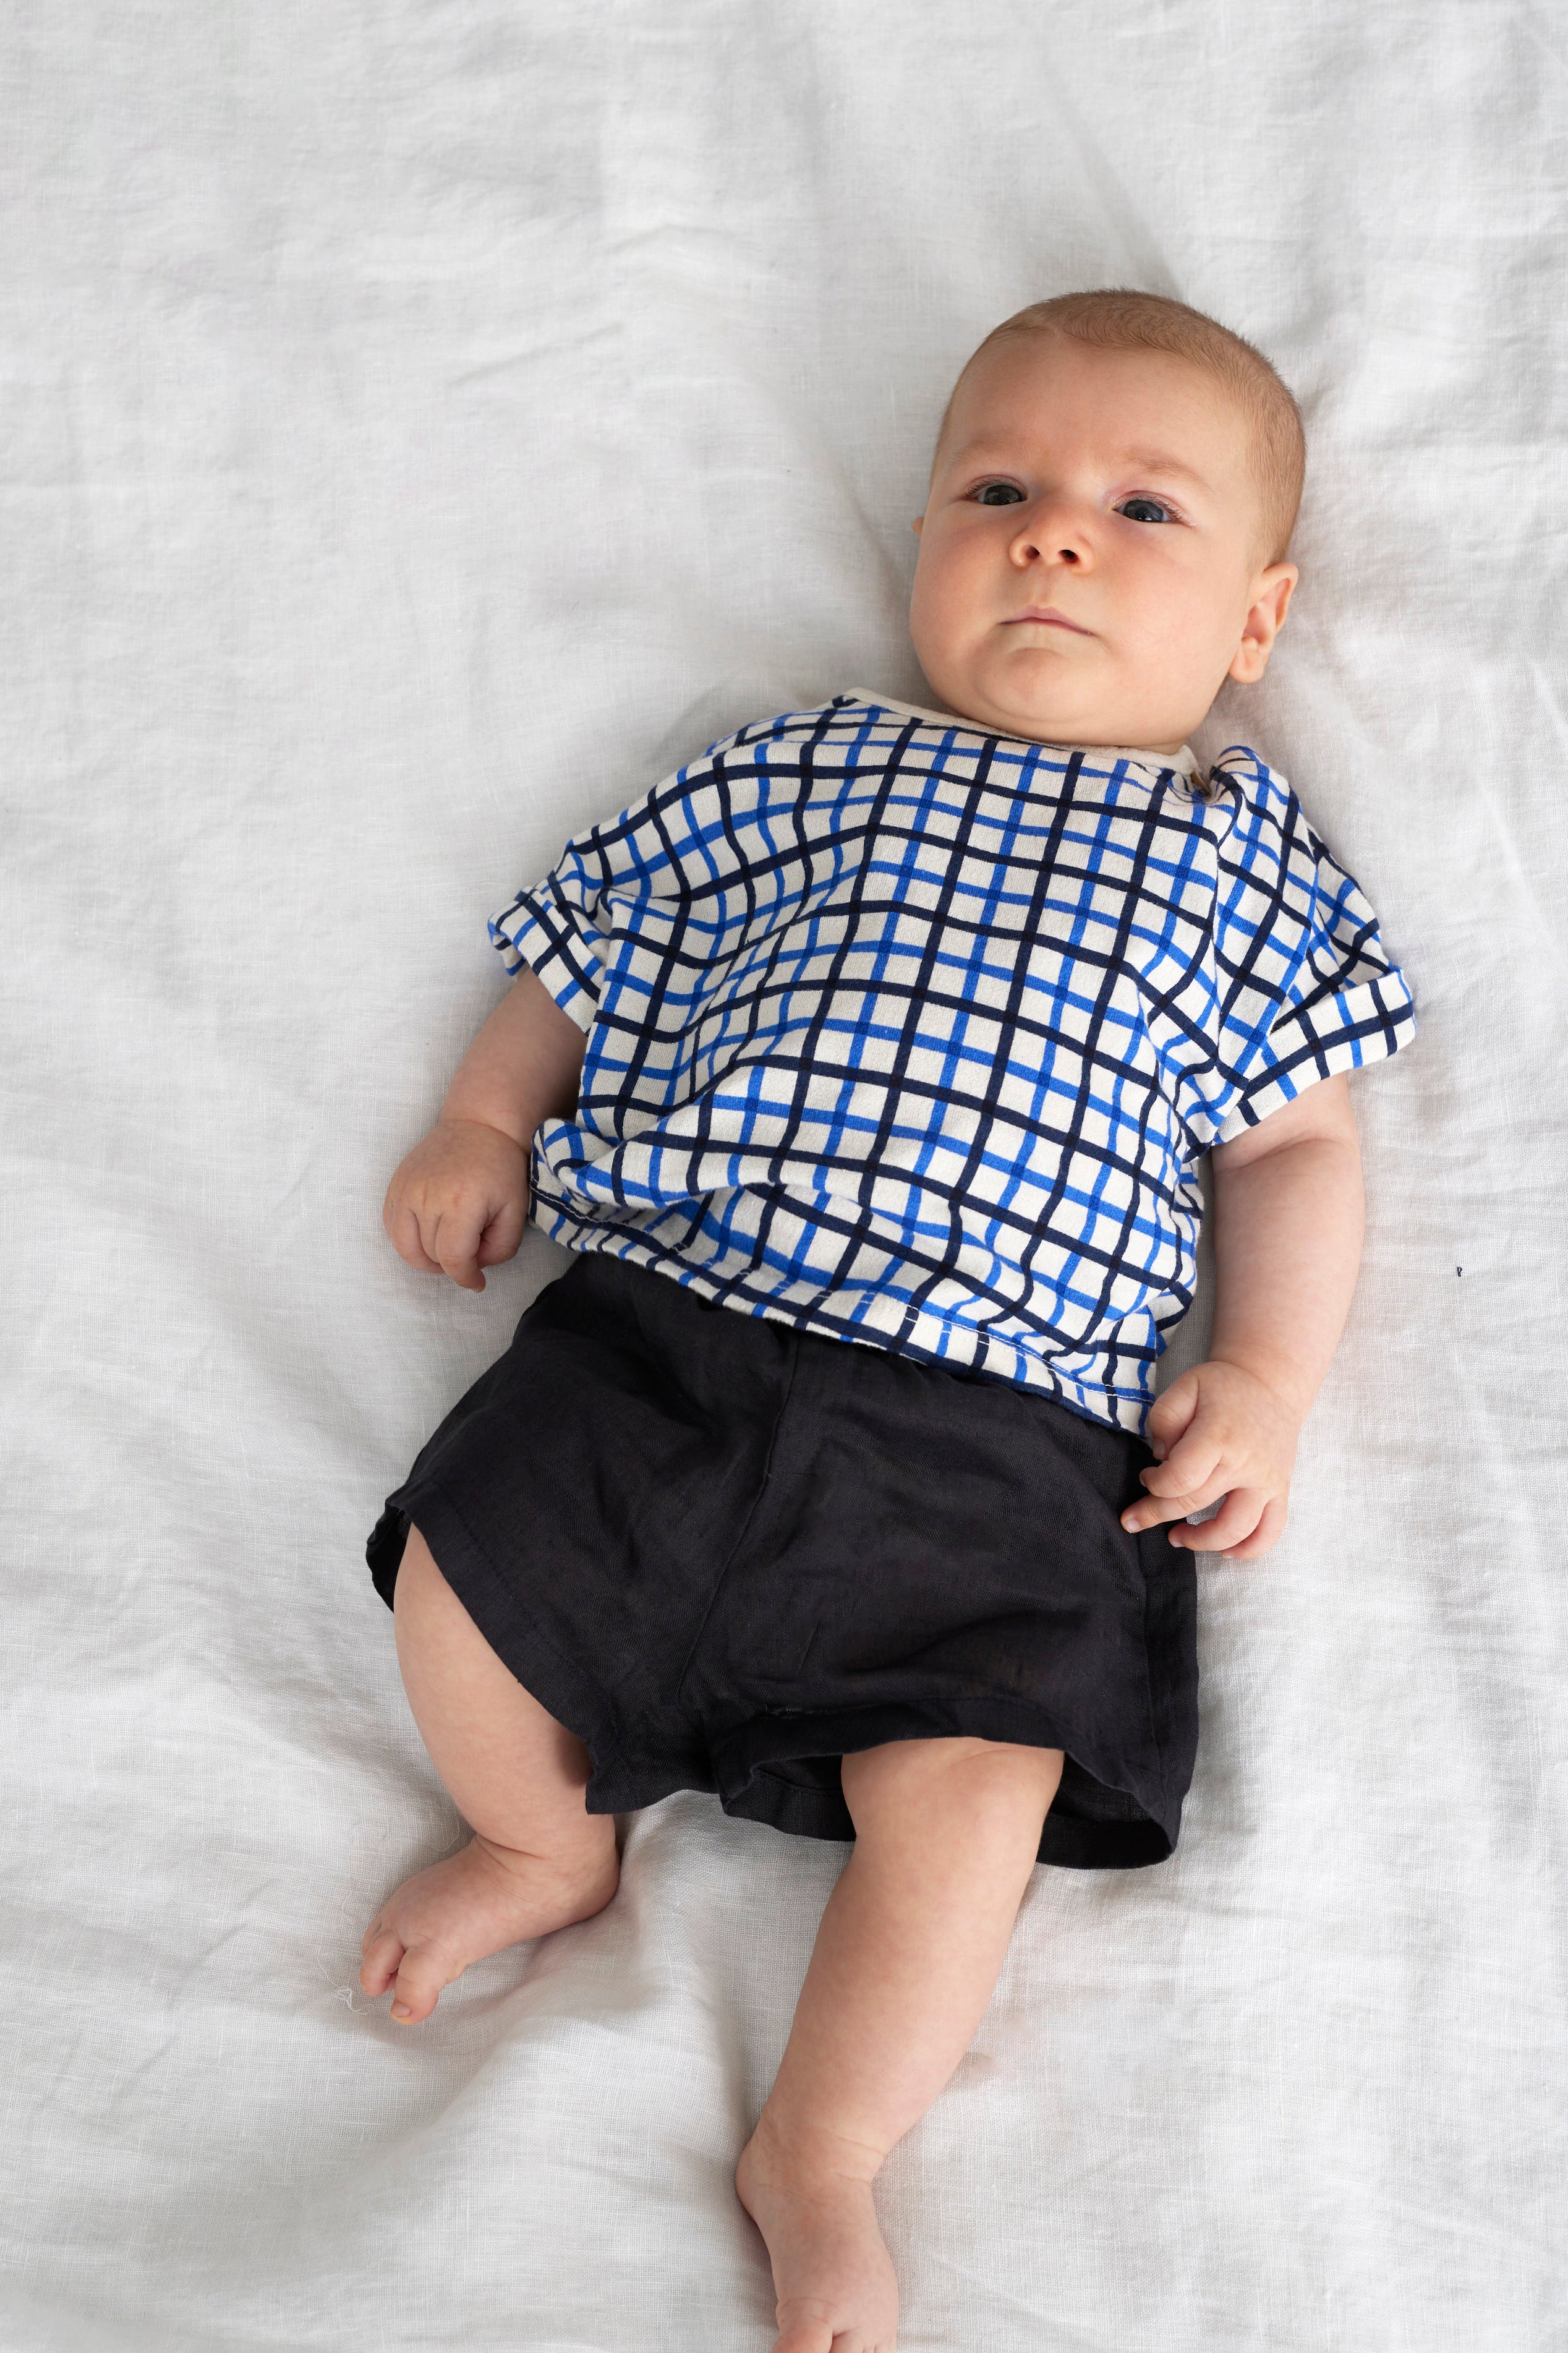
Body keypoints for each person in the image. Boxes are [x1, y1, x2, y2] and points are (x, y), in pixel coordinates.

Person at [359, 289, 1415, 2353]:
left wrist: (1271, 1377)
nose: (1053, 534)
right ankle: (538, 1839)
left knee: (979, 1783)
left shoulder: (1240, 858)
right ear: (923, 537)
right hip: (675, 1331)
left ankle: (823, 2148)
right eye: (998, 490)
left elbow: (1297, 1150)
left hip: (1005, 1430)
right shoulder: (801, 763)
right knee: (464, 1568)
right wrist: (486, 1117)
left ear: (1258, 622)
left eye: (1143, 509)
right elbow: (591, 946)